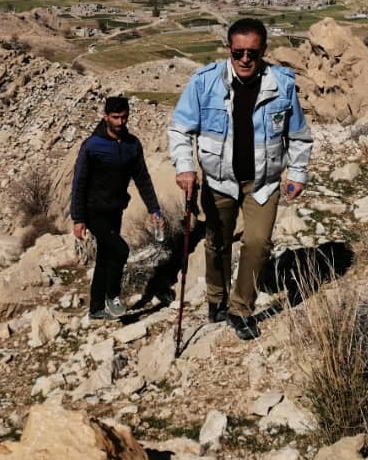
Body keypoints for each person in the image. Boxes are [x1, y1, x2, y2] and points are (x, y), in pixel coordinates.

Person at [168, 18, 313, 340]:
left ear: (263, 50)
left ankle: (241, 308)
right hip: (219, 181)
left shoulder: (282, 85)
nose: (245, 59)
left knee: (258, 243)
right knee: (216, 243)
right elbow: (180, 129)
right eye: (238, 53)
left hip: (263, 183)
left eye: (253, 52)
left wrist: (298, 173)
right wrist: (184, 167)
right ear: (228, 50)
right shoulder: (205, 83)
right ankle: (216, 298)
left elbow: (300, 136)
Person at [71, 96, 162, 320]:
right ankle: (113, 296)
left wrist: (154, 209)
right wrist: (78, 218)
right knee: (120, 250)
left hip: (115, 209)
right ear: (105, 117)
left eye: (124, 117)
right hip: (94, 211)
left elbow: (143, 179)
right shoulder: (93, 145)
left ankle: (95, 308)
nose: (120, 122)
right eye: (115, 118)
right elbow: (79, 181)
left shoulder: (132, 145)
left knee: (105, 257)